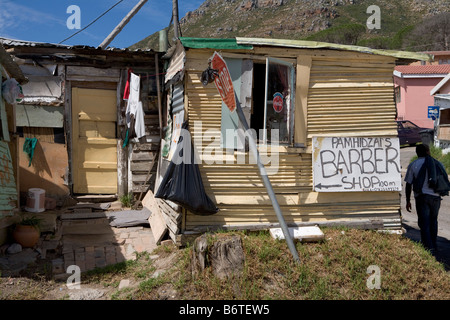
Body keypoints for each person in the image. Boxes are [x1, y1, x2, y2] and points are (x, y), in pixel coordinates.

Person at [404, 144, 444, 256]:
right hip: (436, 197)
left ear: (417, 153)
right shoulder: (437, 163)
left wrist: (408, 200)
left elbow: (408, 184)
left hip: (422, 197)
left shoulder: (414, 165)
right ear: (428, 151)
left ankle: (428, 248)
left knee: (424, 223)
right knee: (433, 221)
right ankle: (434, 245)